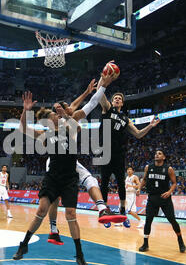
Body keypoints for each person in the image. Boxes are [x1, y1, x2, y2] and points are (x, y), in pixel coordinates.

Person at [45, 73, 126, 245]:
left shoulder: (72, 116)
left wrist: (99, 85)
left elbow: (91, 102)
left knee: (91, 180)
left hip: (70, 160)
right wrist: (90, 91)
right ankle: (53, 228)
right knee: (55, 197)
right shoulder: (54, 121)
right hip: (54, 162)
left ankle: (103, 209)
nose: (72, 108)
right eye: (68, 108)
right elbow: (74, 106)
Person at [12, 91, 89, 265]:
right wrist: (25, 110)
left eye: (56, 115)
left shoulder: (68, 129)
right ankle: (24, 245)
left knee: (71, 214)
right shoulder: (45, 136)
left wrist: (65, 115)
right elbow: (23, 128)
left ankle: (80, 255)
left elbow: (78, 128)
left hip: (69, 177)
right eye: (53, 115)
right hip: (52, 177)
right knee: (41, 209)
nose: (55, 116)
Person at [98, 71, 160, 220]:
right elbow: (99, 93)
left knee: (120, 181)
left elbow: (138, 134)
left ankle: (123, 209)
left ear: (122, 103)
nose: (117, 99)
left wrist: (150, 126)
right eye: (115, 98)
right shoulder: (107, 108)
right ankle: (104, 209)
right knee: (105, 181)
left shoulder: (126, 119)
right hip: (105, 151)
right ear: (112, 102)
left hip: (119, 153)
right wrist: (103, 75)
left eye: (120, 99)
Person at [137, 150, 186, 253]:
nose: (156, 154)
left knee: (172, 220)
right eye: (156, 153)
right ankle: (145, 243)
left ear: (164, 157)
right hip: (152, 198)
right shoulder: (148, 167)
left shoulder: (168, 169)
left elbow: (174, 183)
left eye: (159, 153)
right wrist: (139, 188)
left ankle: (180, 241)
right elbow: (145, 180)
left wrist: (169, 192)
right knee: (148, 221)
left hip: (164, 199)